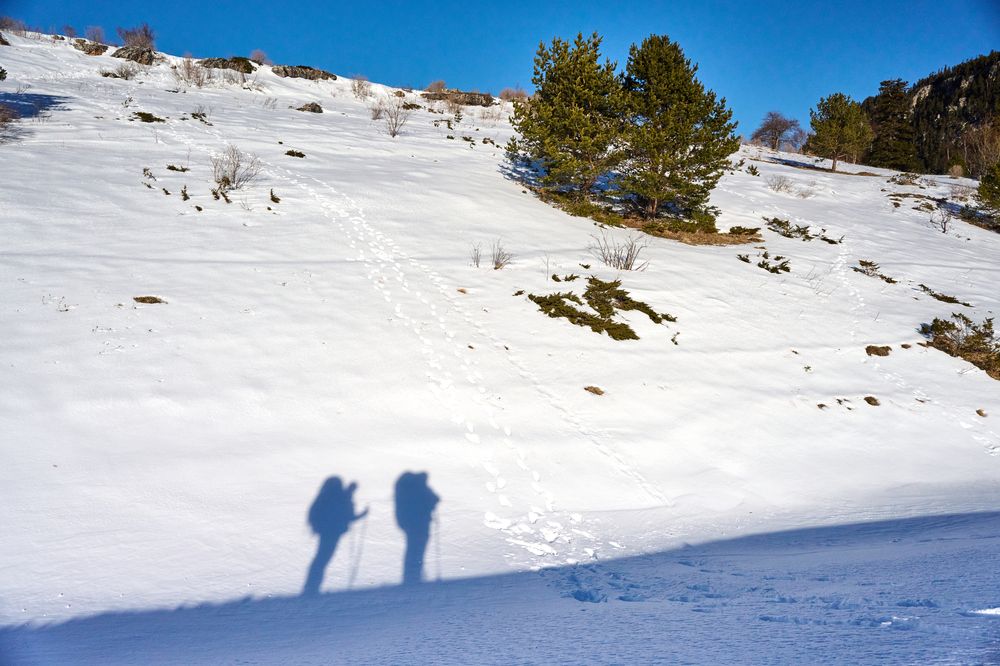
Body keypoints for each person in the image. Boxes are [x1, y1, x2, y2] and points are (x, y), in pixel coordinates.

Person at [302, 476, 368, 596]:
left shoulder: (325, 497)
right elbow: (348, 515)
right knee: (322, 559)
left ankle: (311, 587)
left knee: (321, 559)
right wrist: (361, 513)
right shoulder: (339, 497)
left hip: (327, 532)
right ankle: (311, 588)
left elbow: (343, 512)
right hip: (333, 533)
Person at [394, 471, 439, 585]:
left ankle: (410, 577)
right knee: (417, 550)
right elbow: (434, 498)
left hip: (410, 523)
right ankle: (414, 577)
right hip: (421, 523)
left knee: (413, 549)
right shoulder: (420, 488)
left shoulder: (410, 488)